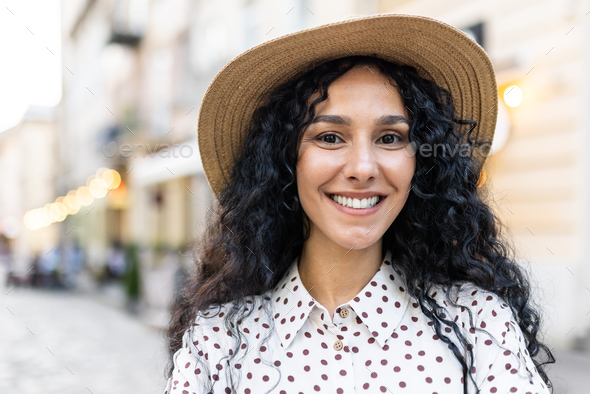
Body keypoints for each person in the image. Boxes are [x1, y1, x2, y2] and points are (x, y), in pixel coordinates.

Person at [164, 14, 555, 394]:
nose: (363, 168)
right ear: (284, 161)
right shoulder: (217, 343)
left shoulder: (479, 324)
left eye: (390, 138)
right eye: (330, 137)